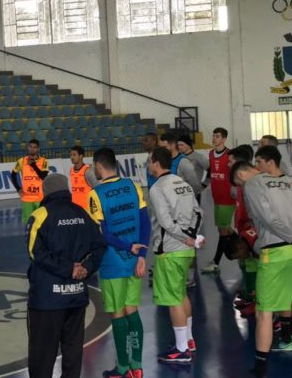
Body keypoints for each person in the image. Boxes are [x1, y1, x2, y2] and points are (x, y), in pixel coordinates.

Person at [230, 156, 292, 377]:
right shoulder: (287, 180)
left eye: (238, 184)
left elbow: (266, 216)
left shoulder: (251, 184)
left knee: (264, 313)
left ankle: (260, 369)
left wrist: (291, 237)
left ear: (241, 175)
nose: (241, 188)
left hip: (275, 252)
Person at [26, 173, 106, 378]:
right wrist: (85, 268)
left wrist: (68, 268)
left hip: (47, 300)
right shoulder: (83, 213)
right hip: (76, 295)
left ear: (46, 192)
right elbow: (100, 245)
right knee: (72, 351)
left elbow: (36, 252)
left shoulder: (40, 215)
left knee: (42, 354)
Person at [88, 147, 151, 378]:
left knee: (116, 313)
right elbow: (145, 223)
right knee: (132, 310)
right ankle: (138, 366)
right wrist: (141, 254)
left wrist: (125, 246)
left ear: (98, 166)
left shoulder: (96, 194)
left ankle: (123, 369)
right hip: (136, 262)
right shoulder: (133, 187)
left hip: (113, 262)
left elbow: (101, 234)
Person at [148, 147, 204, 364]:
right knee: (181, 294)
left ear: (155, 162)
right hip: (186, 251)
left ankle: (181, 350)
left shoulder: (157, 188)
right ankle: (189, 340)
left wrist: (185, 237)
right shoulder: (184, 184)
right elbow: (199, 213)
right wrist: (192, 236)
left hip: (170, 251)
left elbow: (165, 222)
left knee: (173, 300)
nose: (148, 165)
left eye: (149, 161)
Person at [227, 145, 258, 318]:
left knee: (253, 265)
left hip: (249, 229)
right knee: (245, 264)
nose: (228, 164)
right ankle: (249, 295)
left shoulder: (249, 186)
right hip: (242, 227)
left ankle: (255, 300)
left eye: (231, 162)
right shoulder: (240, 185)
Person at [202, 127, 236, 274]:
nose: (214, 138)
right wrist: (202, 185)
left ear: (224, 139)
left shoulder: (229, 155)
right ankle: (244, 242)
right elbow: (211, 174)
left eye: (217, 136)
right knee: (224, 229)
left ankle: (216, 262)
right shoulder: (211, 154)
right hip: (216, 198)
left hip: (227, 199)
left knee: (222, 231)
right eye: (213, 135)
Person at [10, 139, 49, 223]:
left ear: (38, 149)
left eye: (35, 147)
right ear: (28, 148)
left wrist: (33, 165)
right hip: (27, 198)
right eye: (30, 147)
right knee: (28, 223)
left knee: (41, 222)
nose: (32, 149)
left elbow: (44, 177)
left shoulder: (44, 161)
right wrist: (18, 188)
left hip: (40, 198)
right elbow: (13, 175)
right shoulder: (22, 161)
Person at [69, 145, 99, 210]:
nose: (72, 157)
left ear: (81, 156)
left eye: (74, 155)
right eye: (71, 155)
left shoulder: (88, 170)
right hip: (75, 208)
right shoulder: (71, 170)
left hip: (87, 209)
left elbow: (97, 187)